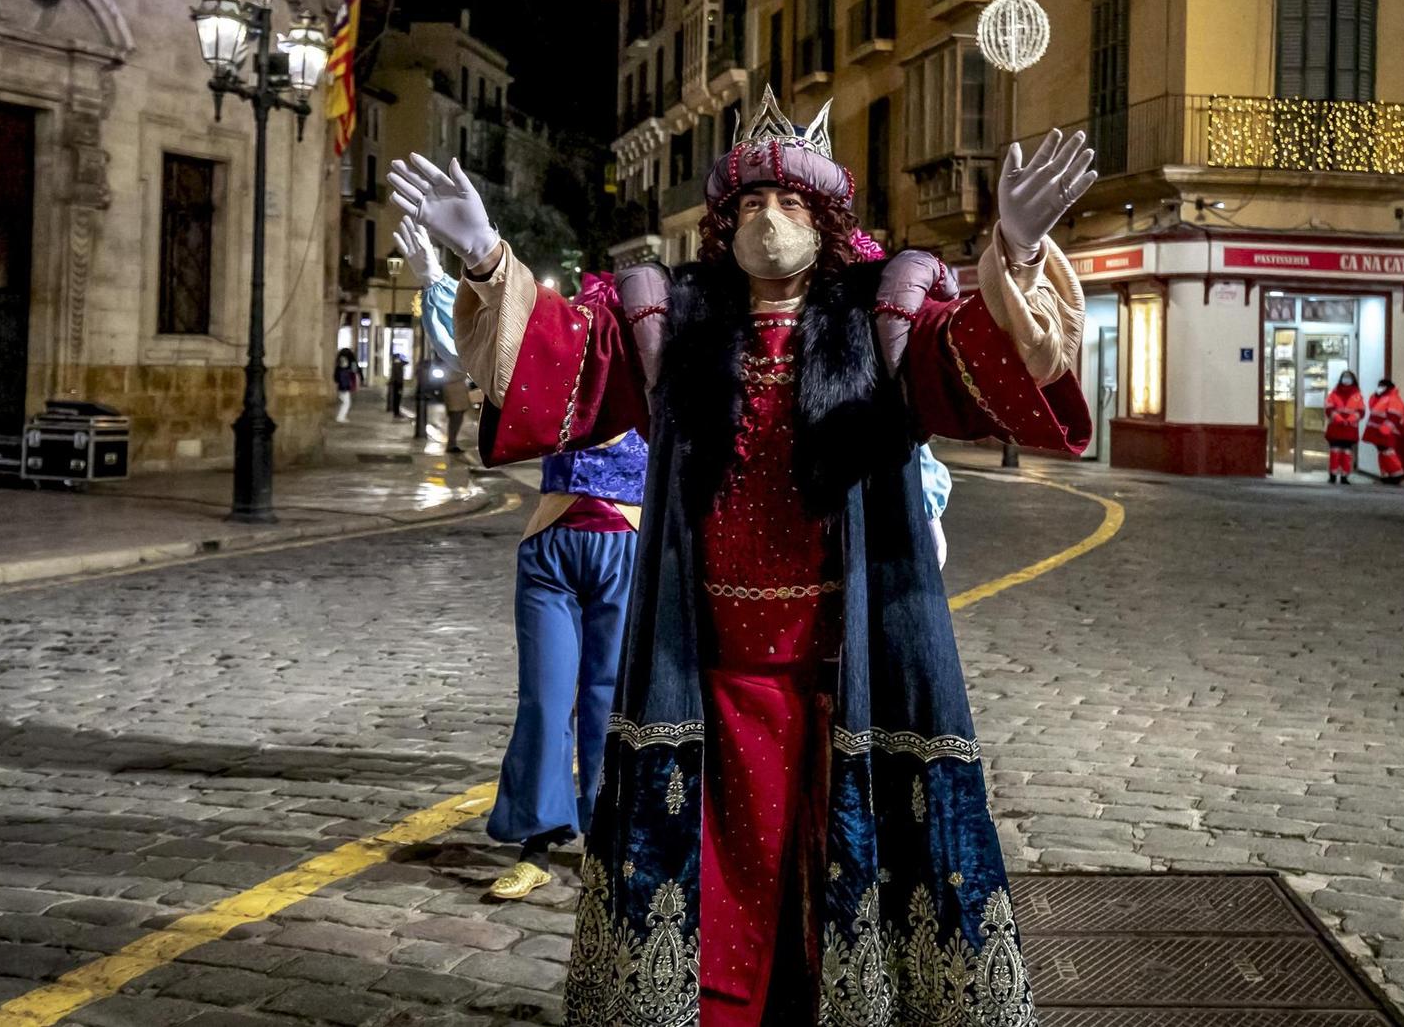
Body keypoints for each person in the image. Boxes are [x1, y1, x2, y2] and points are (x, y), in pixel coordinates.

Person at [393, 91, 1094, 1026]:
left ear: (829, 220)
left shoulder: (883, 317)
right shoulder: (668, 322)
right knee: (718, 875)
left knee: (832, 867)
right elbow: (564, 362)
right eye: (754, 202)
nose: (773, 219)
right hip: (705, 659)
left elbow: (971, 365)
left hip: (845, 666)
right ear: (724, 222)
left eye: (796, 203)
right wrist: (486, 258)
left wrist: (1010, 252)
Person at [401, 251, 651, 901]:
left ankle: (606, 836)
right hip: (550, 549)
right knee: (544, 699)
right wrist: (439, 285)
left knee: (606, 703)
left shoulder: (657, 370)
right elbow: (482, 351)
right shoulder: (560, 361)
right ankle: (538, 841)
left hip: (625, 549)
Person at [1323, 370, 1365, 484]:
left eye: (1349, 377)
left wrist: (1350, 419)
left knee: (1346, 454)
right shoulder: (1334, 394)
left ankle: (1344, 476)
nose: (1346, 379)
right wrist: (1338, 418)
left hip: (1349, 429)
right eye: (1344, 377)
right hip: (1336, 428)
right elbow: (1328, 408)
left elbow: (1361, 411)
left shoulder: (1357, 395)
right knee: (1335, 453)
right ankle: (1332, 475)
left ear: (1353, 380)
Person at [1365, 377, 1404, 484]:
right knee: (1383, 452)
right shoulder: (1383, 398)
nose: (1379, 388)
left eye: (1382, 386)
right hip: (1380, 432)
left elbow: (1394, 416)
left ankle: (1398, 474)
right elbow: (1372, 406)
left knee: (1387, 451)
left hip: (1387, 432)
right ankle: (1387, 474)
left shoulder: (1393, 399)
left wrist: (1385, 429)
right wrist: (1376, 395)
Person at [333, 348, 360, 423]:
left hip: (341, 386)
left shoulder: (339, 364)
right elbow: (355, 374)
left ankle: (340, 416)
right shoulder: (352, 363)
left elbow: (335, 377)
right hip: (346, 386)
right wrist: (356, 385)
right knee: (346, 402)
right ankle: (340, 417)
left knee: (344, 401)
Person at [387, 353, 409, 420]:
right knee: (397, 398)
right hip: (398, 383)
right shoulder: (397, 363)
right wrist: (402, 357)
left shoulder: (394, 363)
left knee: (396, 398)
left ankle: (396, 412)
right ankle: (396, 413)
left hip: (396, 383)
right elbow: (406, 362)